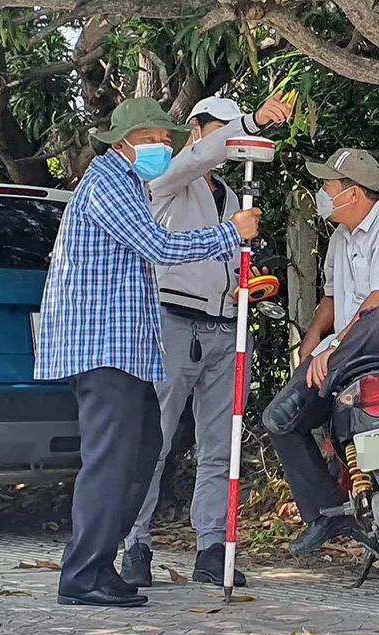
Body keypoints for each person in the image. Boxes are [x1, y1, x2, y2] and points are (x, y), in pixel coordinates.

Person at [35, 97, 261, 608]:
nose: (162, 147)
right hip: (103, 345)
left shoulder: (128, 183)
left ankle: (101, 565)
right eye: (153, 139)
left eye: (165, 139)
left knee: (141, 453)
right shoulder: (107, 183)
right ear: (123, 142)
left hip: (129, 348)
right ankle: (83, 573)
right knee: (111, 460)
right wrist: (231, 232)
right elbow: (159, 247)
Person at [119, 94, 292, 589]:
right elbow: (201, 157)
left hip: (224, 326)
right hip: (172, 323)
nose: (230, 145)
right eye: (219, 133)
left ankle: (212, 546)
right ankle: (137, 543)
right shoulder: (169, 180)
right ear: (196, 133)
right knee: (155, 440)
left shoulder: (237, 202)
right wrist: (253, 120)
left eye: (235, 137)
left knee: (220, 446)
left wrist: (247, 283)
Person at [261, 148, 379, 556]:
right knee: (279, 420)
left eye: (328, 185)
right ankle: (327, 514)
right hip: (344, 359)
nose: (322, 193)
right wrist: (311, 344)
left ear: (355, 192)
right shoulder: (340, 240)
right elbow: (329, 300)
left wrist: (335, 347)